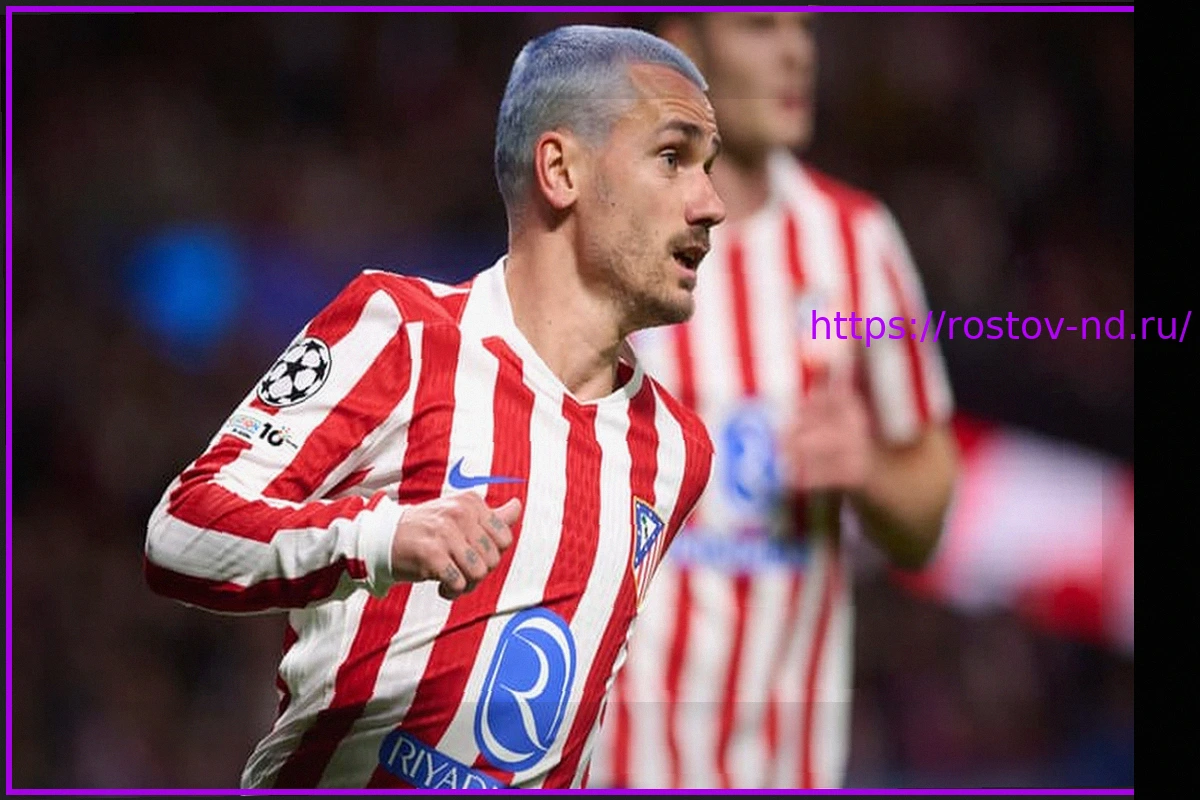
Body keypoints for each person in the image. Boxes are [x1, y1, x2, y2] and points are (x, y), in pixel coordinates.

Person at [143, 24, 725, 789]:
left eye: (709, 167)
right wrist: (382, 538)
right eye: (673, 157)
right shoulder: (405, 334)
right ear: (561, 170)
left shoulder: (677, 452)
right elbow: (182, 532)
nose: (711, 203)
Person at [587, 12, 959, 789]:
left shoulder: (855, 244)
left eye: (804, 27)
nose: (796, 52)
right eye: (760, 26)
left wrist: (870, 469)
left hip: (786, 769)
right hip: (608, 766)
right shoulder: (603, 233)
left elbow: (928, 514)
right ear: (684, 49)